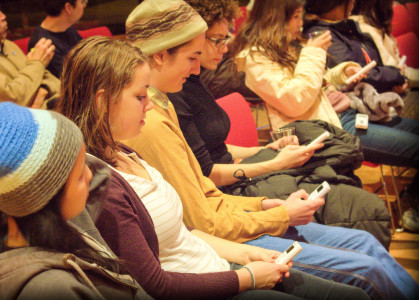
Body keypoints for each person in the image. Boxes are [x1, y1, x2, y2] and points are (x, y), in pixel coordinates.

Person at [121, 0, 419, 299]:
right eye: (192, 56)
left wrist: (265, 203)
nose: (198, 67)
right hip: (215, 240)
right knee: (365, 268)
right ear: (160, 55)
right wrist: (279, 207)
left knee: (365, 244)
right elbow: (201, 219)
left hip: (230, 212)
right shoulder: (150, 120)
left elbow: (205, 191)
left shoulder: (164, 101)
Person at [56, 35, 372, 300]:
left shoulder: (125, 148)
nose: (149, 104)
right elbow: (157, 284)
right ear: (102, 101)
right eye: (140, 96)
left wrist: (246, 255)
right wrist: (247, 274)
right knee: (361, 278)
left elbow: (185, 227)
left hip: (220, 260)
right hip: (211, 280)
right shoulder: (104, 182)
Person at [167, 0, 390, 247]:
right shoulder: (181, 88)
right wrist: (274, 162)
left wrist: (266, 151)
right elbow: (295, 101)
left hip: (311, 132)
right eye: (295, 16)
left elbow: (213, 148)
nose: (301, 23)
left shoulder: (193, 78)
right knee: (362, 208)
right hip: (229, 192)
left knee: (346, 179)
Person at [0, 101, 148, 300]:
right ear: (48, 199)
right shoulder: (50, 289)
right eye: (79, 175)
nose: (90, 174)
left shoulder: (58, 229)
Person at [303, 0, 408, 94]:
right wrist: (395, 75)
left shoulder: (348, 27)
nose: (354, 2)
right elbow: (354, 76)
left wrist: (395, 80)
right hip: (355, 109)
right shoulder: (320, 33)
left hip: (377, 100)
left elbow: (375, 65)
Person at [350, 0, 419, 87]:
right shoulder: (365, 29)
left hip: (401, 78)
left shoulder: (375, 24)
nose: (394, 4)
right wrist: (404, 78)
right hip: (392, 87)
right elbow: (393, 73)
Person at [0, 10, 60, 108]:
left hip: (51, 107)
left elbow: (55, 82)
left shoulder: (8, 45)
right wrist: (37, 63)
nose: (3, 16)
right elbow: (13, 100)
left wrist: (43, 91)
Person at [28, 0, 86, 78]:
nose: (84, 6)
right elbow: (74, 78)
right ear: (68, 8)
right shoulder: (44, 45)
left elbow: (87, 52)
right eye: (82, 2)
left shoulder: (66, 27)